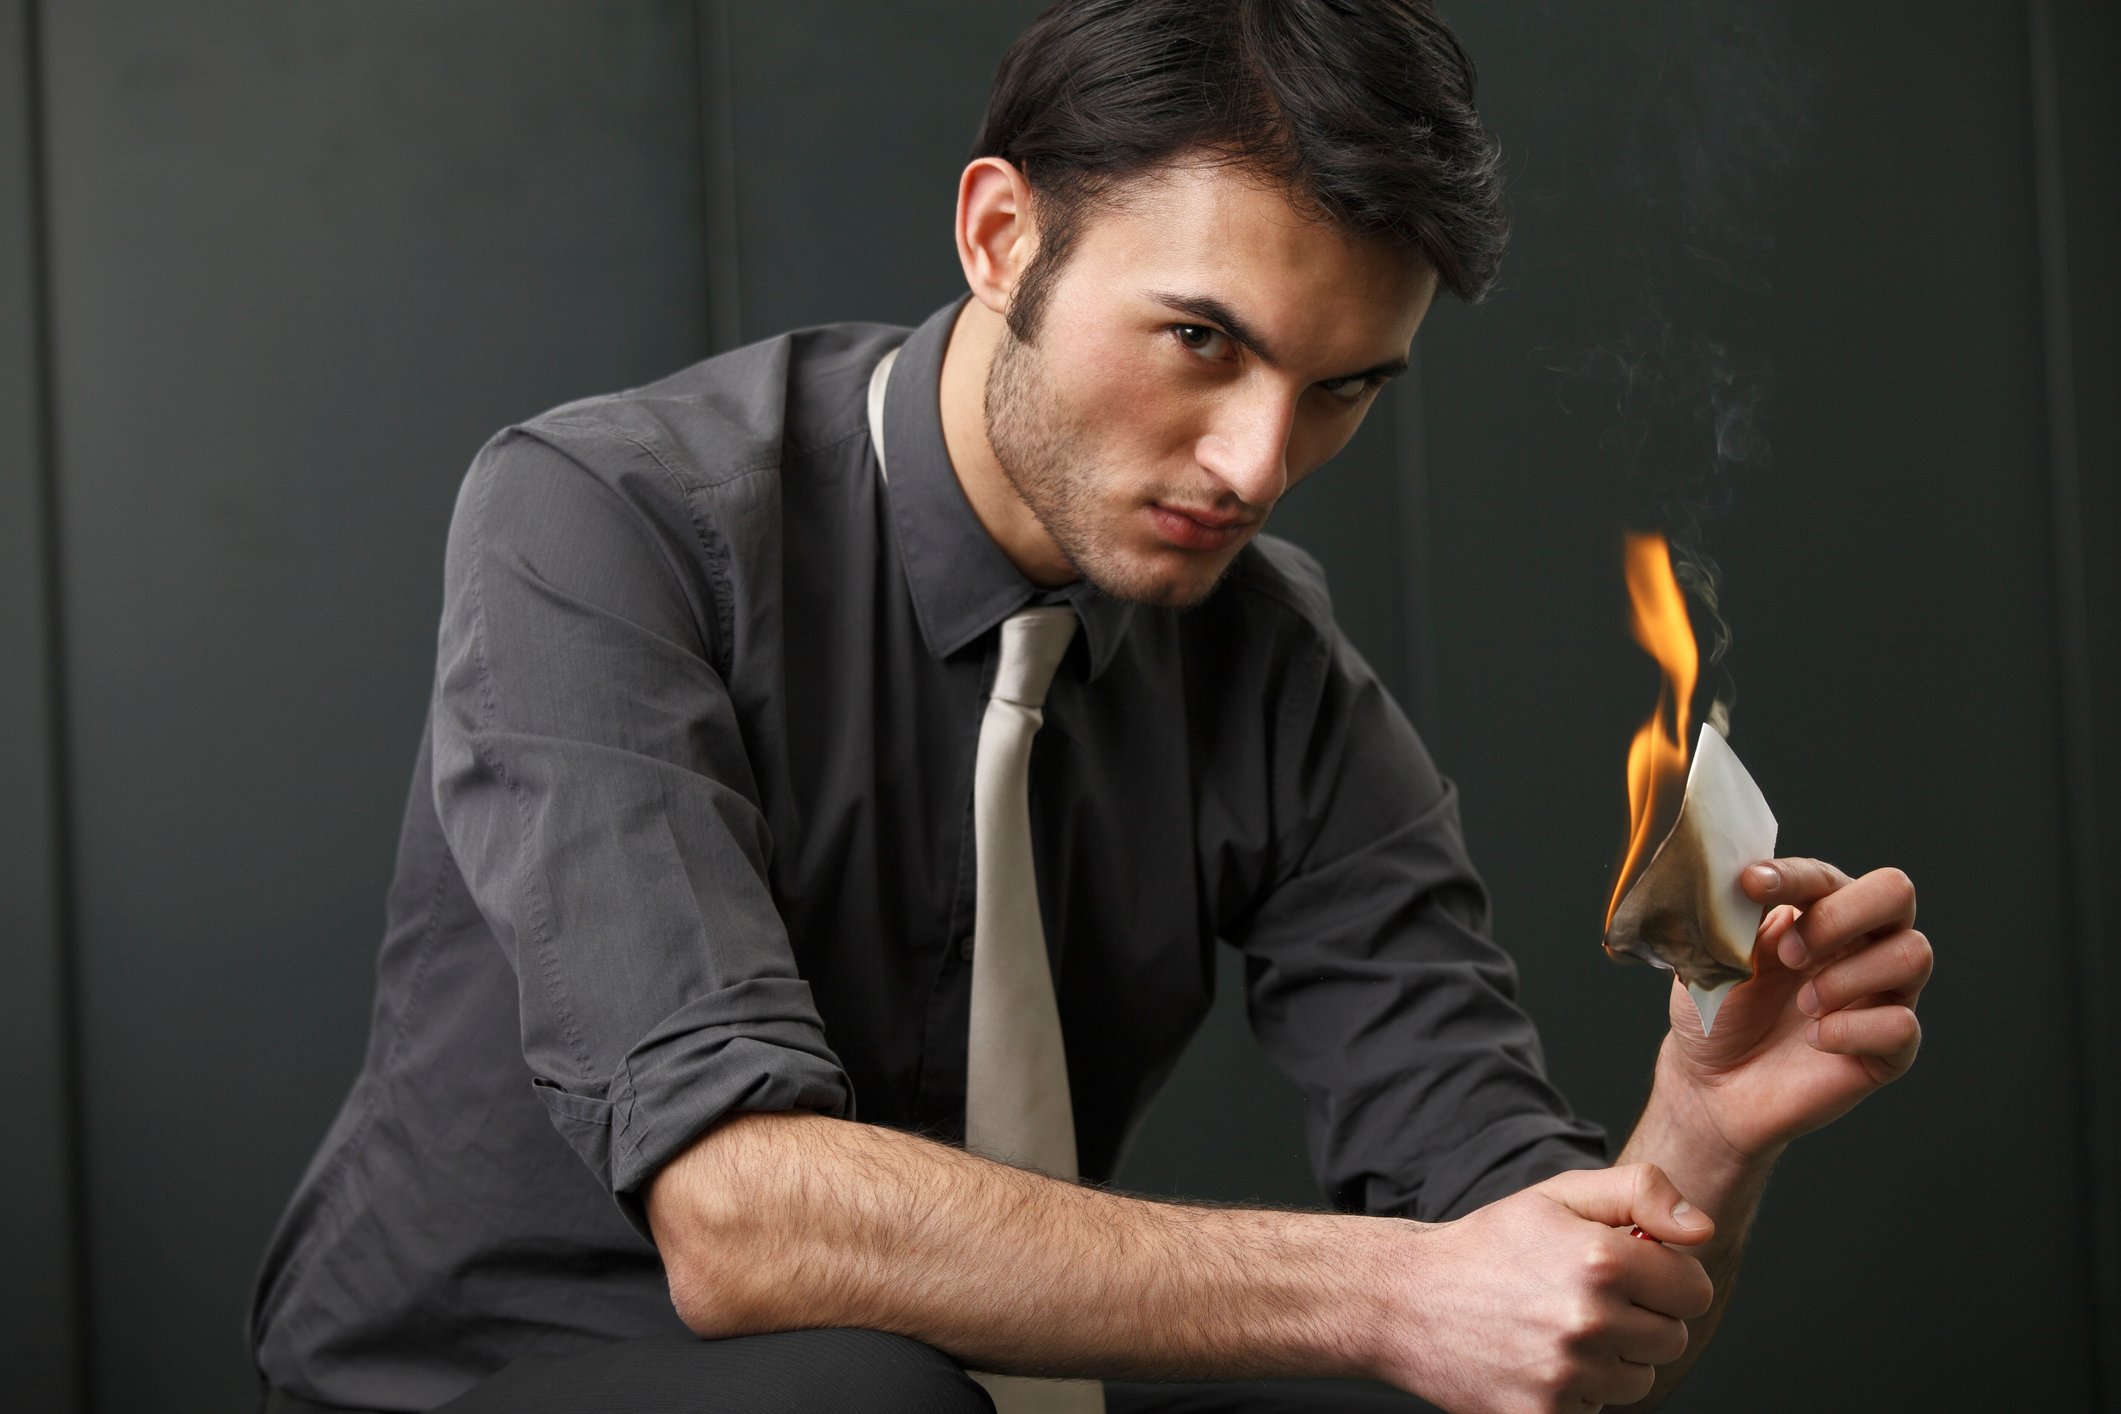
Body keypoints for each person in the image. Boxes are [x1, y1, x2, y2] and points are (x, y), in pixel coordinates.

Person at [249, 2, 1932, 1411]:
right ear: (1001, 235)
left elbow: (1532, 1282)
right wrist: (1387, 1293)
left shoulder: (1273, 670)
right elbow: (743, 1212)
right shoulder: (609, 518)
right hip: (487, 1375)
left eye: (1339, 386)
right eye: (1202, 338)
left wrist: (1698, 1136)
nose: (1260, 464)